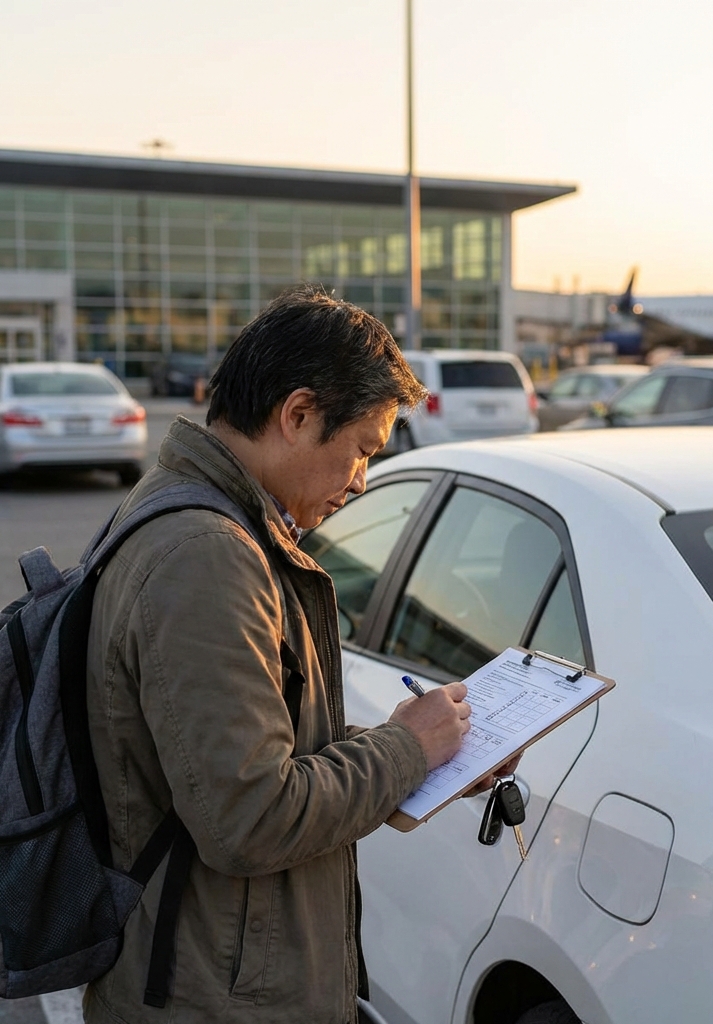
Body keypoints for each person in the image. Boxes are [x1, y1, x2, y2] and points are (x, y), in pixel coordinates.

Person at [83, 286, 514, 1024]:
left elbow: (242, 757)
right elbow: (249, 816)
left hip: (205, 975)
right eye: (363, 451)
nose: (362, 481)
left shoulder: (191, 514)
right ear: (299, 414)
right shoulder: (205, 557)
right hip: (211, 999)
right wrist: (405, 750)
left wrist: (431, 753)